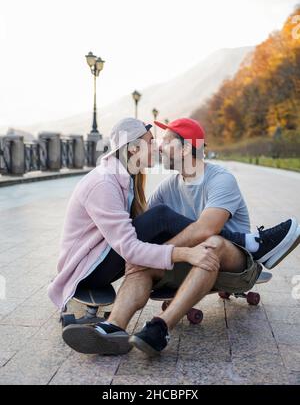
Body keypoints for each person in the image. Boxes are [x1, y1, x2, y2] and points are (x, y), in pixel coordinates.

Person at [58, 118, 300, 356]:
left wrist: (161, 253)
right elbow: (146, 229)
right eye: (155, 141)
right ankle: (112, 328)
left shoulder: (220, 179)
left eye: (165, 141)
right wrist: (155, 254)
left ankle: (161, 327)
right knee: (143, 259)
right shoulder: (165, 186)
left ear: (185, 148)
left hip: (235, 265)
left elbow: (205, 229)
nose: (159, 147)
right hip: (190, 262)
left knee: (210, 244)